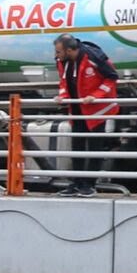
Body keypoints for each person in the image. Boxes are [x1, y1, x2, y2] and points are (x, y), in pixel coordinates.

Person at [53, 33, 118, 197]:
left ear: (69, 50)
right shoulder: (61, 61)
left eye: (59, 51)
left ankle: (89, 185)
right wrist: (63, 96)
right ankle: (77, 183)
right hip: (77, 109)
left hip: (97, 109)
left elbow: (111, 78)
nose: (56, 55)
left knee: (95, 147)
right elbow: (63, 82)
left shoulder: (94, 57)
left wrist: (96, 96)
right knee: (77, 147)